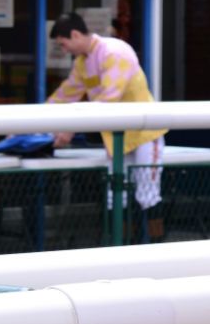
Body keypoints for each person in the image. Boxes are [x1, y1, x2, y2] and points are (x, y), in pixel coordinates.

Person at [48, 12, 168, 236]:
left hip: (144, 134)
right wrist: (33, 122)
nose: (64, 50)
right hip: (116, 136)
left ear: (75, 34)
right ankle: (121, 248)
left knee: (148, 194)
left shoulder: (115, 52)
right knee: (115, 195)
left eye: (63, 44)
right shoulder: (83, 62)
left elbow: (109, 97)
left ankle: (157, 248)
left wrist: (70, 129)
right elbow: (66, 94)